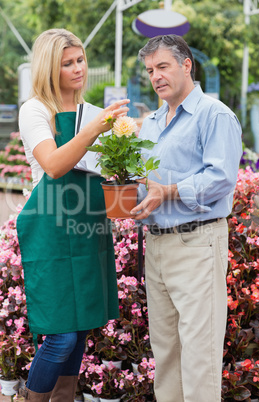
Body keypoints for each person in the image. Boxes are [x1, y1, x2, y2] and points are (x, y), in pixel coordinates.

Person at [17, 28, 130, 402]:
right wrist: (95, 130)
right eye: (68, 63)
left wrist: (128, 170)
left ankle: (65, 397)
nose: (78, 68)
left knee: (81, 330)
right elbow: (53, 165)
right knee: (60, 333)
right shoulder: (35, 110)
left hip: (87, 226)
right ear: (50, 69)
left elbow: (102, 170)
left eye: (80, 60)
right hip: (49, 229)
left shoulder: (91, 112)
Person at [130, 35, 242, 402]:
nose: (156, 77)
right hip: (157, 246)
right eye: (150, 71)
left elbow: (221, 177)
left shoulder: (215, 114)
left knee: (199, 356)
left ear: (186, 65)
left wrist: (169, 191)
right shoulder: (151, 123)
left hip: (197, 244)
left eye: (162, 67)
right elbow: (144, 182)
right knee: (166, 355)